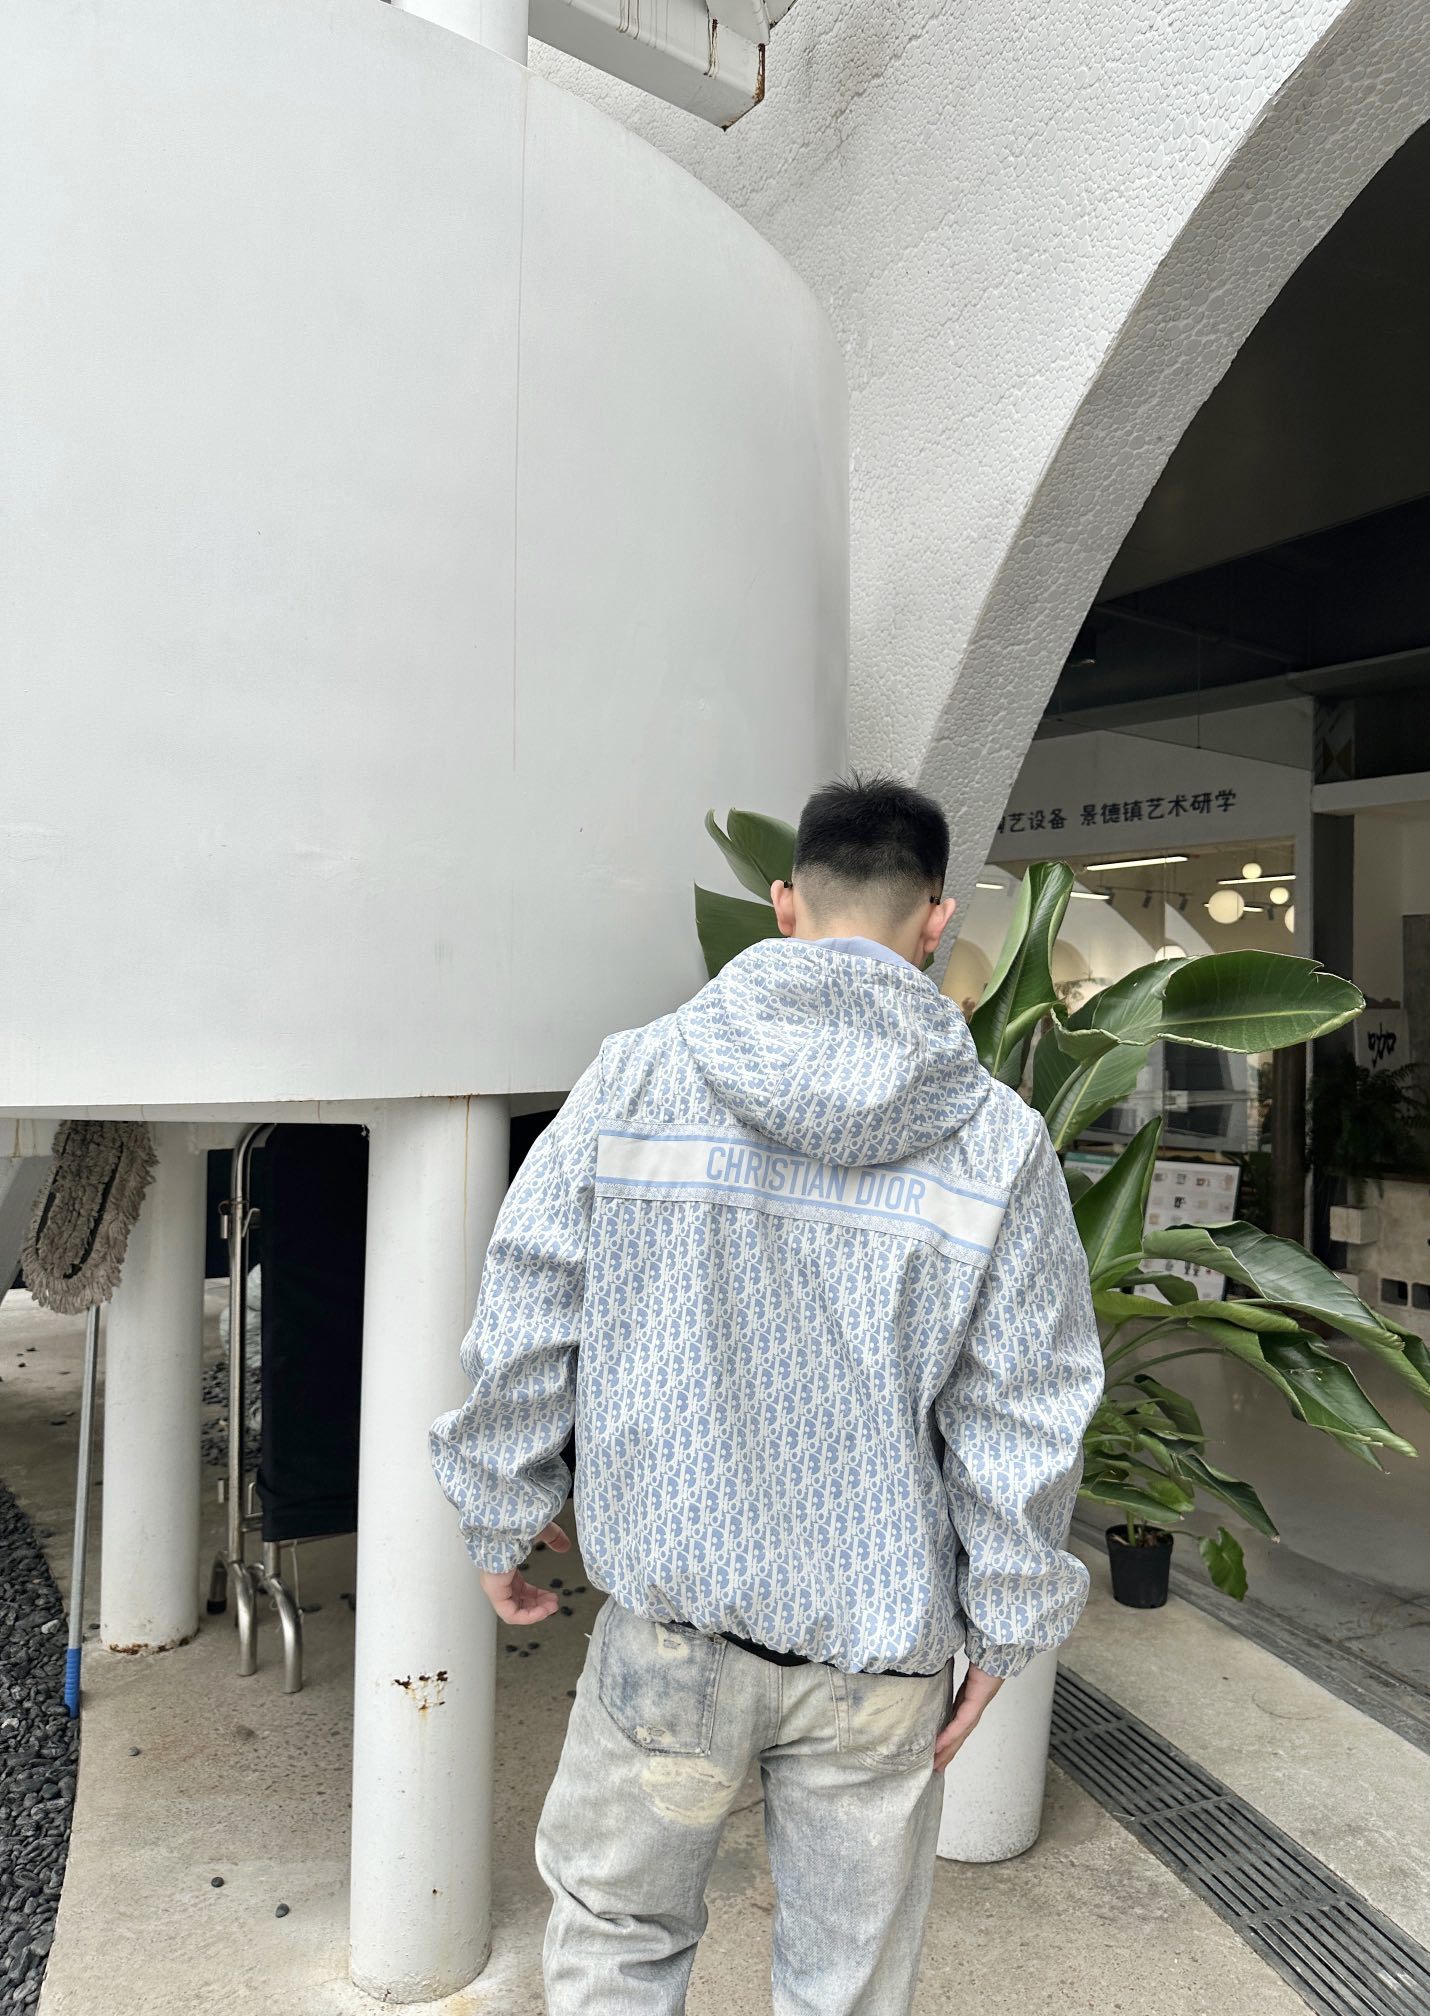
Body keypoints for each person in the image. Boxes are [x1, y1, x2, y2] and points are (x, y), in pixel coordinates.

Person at [430, 774, 1102, 2014]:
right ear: (937, 920)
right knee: (843, 1988)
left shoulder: (636, 1078)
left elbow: (527, 1304)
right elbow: (1027, 1411)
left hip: (672, 1634)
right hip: (879, 1663)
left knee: (618, 1943)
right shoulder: (1000, 1143)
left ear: (786, 904)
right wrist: (1009, 1622)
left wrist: (500, 1512)